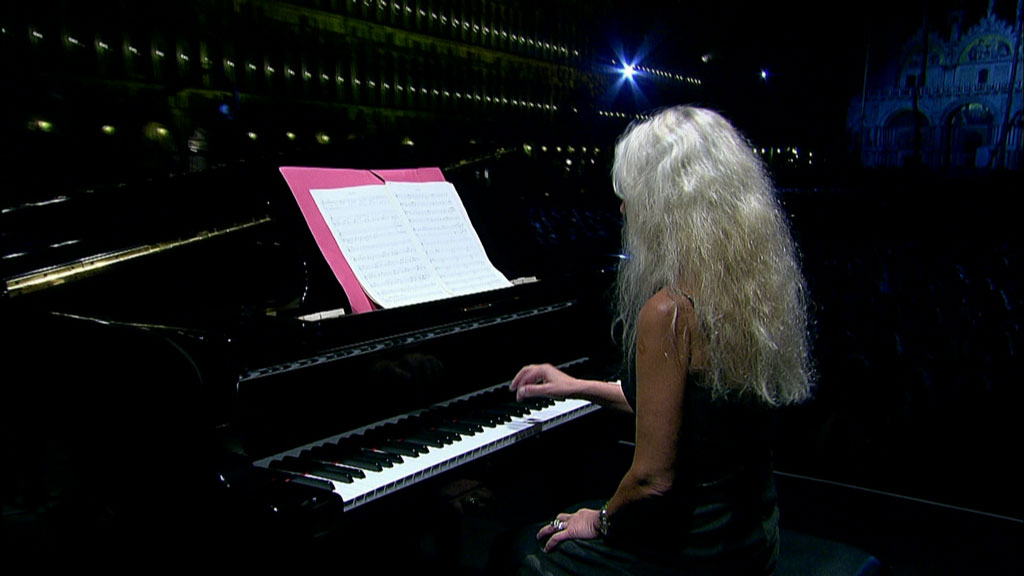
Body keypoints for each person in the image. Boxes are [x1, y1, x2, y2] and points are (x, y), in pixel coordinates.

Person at [504, 106, 813, 575]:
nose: (623, 209)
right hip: (754, 535)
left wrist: (601, 519)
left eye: (631, 195)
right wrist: (576, 386)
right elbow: (690, 412)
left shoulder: (670, 311)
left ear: (665, 203)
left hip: (696, 550)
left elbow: (651, 481)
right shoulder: (750, 291)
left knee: (521, 550)